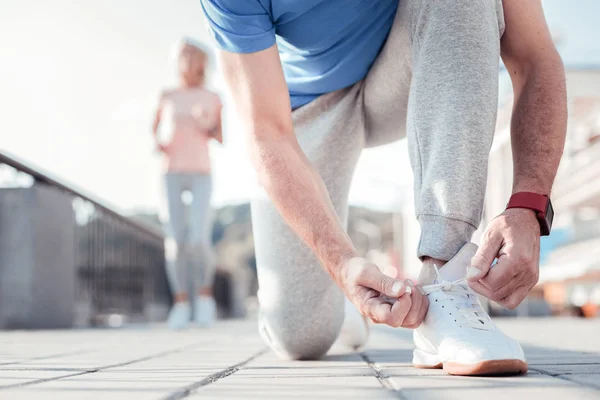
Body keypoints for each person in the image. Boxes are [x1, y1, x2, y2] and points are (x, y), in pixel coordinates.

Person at [200, 0, 567, 375]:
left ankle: (445, 280)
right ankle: (334, 307)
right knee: (299, 337)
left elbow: (534, 57)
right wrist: (341, 263)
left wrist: (529, 205)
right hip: (307, 108)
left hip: (401, 62)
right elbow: (267, 133)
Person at [152, 37, 223, 329]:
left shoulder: (212, 97)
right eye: (182, 55)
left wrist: (205, 123)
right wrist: (159, 143)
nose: (186, 60)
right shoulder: (166, 94)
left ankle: (204, 300)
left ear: (202, 62)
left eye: (191, 55)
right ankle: (180, 303)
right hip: (171, 172)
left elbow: (220, 136)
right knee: (176, 242)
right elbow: (153, 128)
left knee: (197, 239)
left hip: (201, 173)